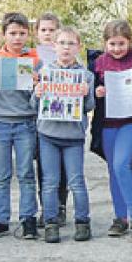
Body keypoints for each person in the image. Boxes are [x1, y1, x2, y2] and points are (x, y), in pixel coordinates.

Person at [88, 19, 132, 243]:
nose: (117, 49)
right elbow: (86, 92)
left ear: (130, 42)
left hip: (131, 122)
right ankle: (121, 217)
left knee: (121, 164)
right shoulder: (96, 63)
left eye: (121, 44)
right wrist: (95, 92)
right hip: (107, 124)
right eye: (112, 44)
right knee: (114, 170)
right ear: (105, 44)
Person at [0, 12, 40, 241]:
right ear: (4, 35)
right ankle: (1, 219)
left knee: (26, 173)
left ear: (28, 35)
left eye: (22, 33)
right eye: (13, 33)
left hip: (25, 122)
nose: (17, 38)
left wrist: (36, 86)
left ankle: (28, 219)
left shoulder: (34, 59)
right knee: (1, 174)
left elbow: (37, 99)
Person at [33, 26, 95, 244]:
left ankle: (82, 222)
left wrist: (86, 95)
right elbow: (34, 106)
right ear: (54, 46)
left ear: (78, 47)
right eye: (62, 43)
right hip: (48, 134)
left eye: (71, 43)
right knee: (50, 182)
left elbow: (89, 107)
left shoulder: (86, 75)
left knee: (76, 181)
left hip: (73, 137)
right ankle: (51, 223)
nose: (66, 48)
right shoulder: (44, 71)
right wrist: (37, 94)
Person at [30, 11, 68, 227]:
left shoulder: (66, 51)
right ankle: (46, 207)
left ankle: (61, 205)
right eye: (43, 30)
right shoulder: (32, 56)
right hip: (39, 119)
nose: (48, 33)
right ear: (36, 32)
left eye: (52, 30)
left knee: (62, 165)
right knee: (43, 166)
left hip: (64, 118)